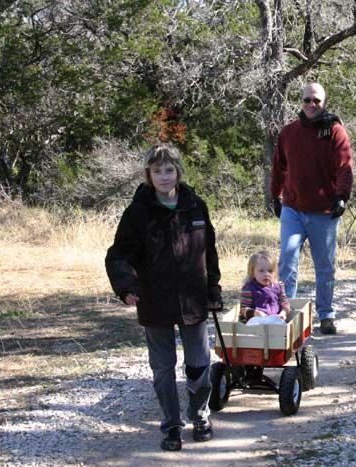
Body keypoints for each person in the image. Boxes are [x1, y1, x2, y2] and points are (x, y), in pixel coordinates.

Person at [105, 143, 222, 451]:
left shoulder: (196, 205)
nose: (164, 176)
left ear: (178, 172)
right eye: (157, 171)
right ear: (148, 175)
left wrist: (213, 292)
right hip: (155, 301)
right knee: (162, 368)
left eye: (169, 170)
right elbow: (118, 255)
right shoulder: (137, 213)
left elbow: (209, 252)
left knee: (199, 364)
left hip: (194, 300)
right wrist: (127, 287)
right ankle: (171, 425)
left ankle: (200, 416)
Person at [270, 82, 354, 335]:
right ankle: (285, 313)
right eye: (307, 100)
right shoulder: (288, 132)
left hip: (324, 211)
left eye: (316, 100)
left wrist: (341, 196)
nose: (311, 105)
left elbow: (345, 166)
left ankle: (326, 314)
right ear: (301, 102)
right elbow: (278, 166)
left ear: (324, 102)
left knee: (325, 265)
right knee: (287, 260)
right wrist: (275, 195)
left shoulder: (335, 131)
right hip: (293, 208)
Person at [239, 251, 290, 321]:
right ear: (253, 272)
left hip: (275, 320)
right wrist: (254, 313)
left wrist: (283, 312)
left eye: (270, 271)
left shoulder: (278, 286)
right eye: (261, 271)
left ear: (275, 273)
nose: (266, 274)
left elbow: (285, 303)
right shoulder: (249, 288)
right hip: (256, 323)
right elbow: (243, 309)